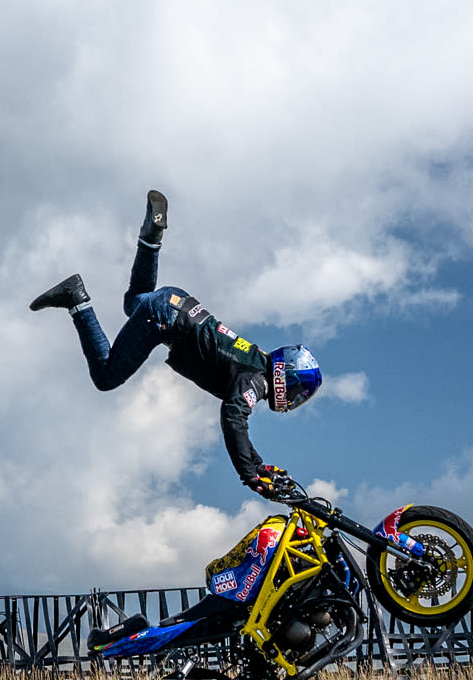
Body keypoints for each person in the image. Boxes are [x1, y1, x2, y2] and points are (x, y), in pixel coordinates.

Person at [31, 187, 323, 505]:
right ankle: (76, 299)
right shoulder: (256, 381)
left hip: (175, 302)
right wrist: (249, 475)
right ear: (286, 376)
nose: (294, 400)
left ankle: (152, 235)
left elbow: (239, 419)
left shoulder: (255, 365)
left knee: (133, 302)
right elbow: (234, 418)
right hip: (165, 319)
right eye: (298, 393)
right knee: (105, 376)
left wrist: (259, 466)